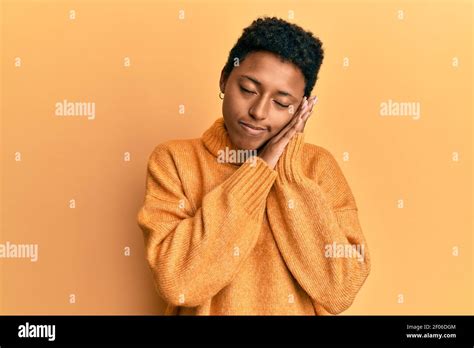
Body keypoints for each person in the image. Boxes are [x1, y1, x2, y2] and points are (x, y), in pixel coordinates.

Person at [137, 16, 370, 315]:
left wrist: (286, 171)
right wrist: (262, 167)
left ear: (302, 108)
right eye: (248, 89)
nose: (258, 112)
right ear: (224, 78)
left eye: (282, 103)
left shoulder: (318, 167)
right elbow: (179, 281)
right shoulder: (173, 161)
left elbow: (340, 290)